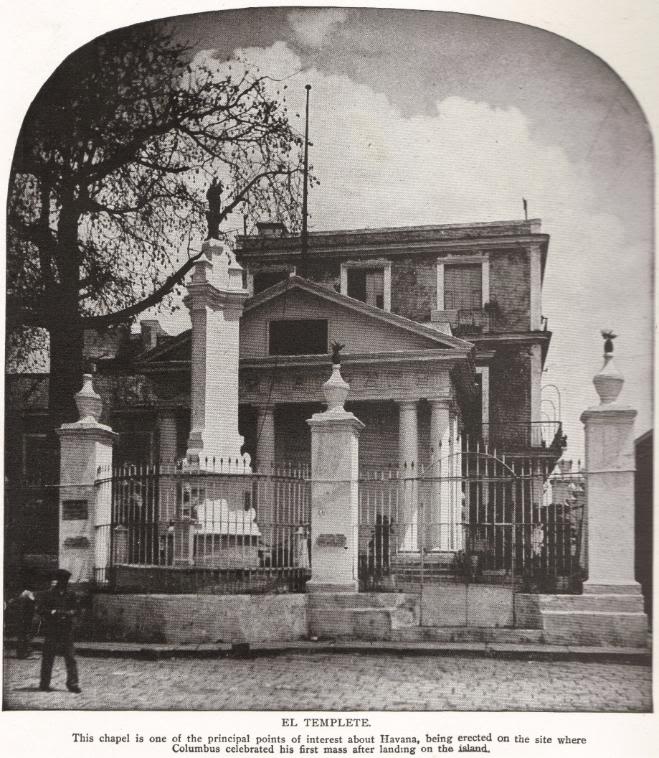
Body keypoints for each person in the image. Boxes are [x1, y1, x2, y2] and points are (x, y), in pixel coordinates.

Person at [37, 569, 81, 693]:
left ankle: (73, 684)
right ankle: (44, 683)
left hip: (66, 630)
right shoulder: (49, 594)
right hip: (52, 629)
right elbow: (40, 609)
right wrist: (53, 612)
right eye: (62, 581)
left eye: (66, 581)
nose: (64, 583)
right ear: (58, 581)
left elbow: (77, 610)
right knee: (48, 657)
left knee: (70, 658)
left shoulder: (71, 595)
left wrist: (69, 613)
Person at [8, 586, 36, 658]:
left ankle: (23, 653)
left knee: (22, 637)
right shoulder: (26, 599)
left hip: (22, 620)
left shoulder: (19, 599)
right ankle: (23, 654)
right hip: (24, 620)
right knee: (24, 637)